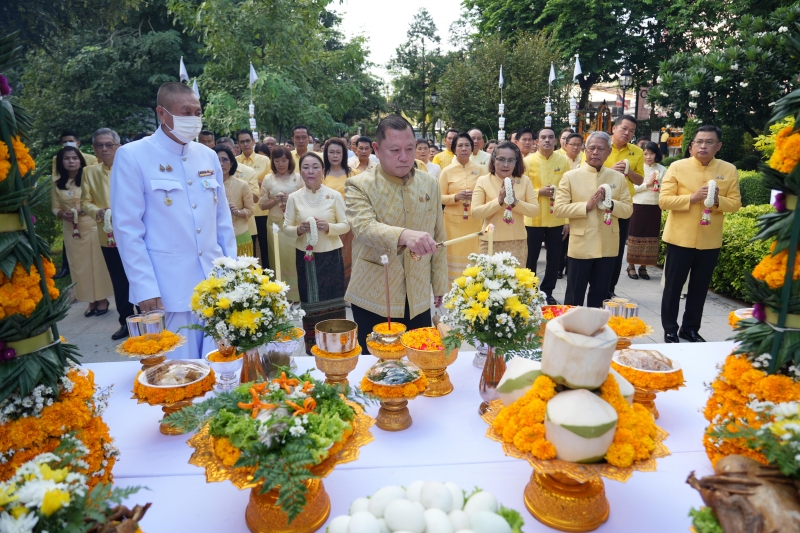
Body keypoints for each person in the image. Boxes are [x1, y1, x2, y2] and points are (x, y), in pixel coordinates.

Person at [111, 81, 237, 359]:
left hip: (214, 285)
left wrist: (233, 274)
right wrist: (144, 287)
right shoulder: (133, 155)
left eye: (197, 111)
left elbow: (222, 221)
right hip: (167, 291)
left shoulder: (207, 156)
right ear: (162, 113)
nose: (193, 119)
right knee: (177, 372)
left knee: (222, 367)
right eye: (185, 111)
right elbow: (128, 229)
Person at [344, 115, 447, 349]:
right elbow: (363, 227)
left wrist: (439, 283)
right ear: (377, 150)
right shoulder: (359, 184)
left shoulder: (429, 183)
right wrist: (404, 235)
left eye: (410, 149)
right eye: (395, 150)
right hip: (375, 294)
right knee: (378, 365)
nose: (404, 157)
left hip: (418, 293)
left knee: (418, 359)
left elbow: (439, 235)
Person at [659, 125, 741, 343]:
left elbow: (735, 203)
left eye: (709, 142)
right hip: (680, 238)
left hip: (709, 240)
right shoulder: (677, 167)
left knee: (699, 289)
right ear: (691, 145)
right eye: (699, 142)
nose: (703, 146)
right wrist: (692, 198)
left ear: (719, 146)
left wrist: (717, 201)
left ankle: (690, 329)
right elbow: (664, 200)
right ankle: (669, 328)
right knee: (673, 288)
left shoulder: (729, 169)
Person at [554, 131, 633, 308]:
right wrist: (586, 206)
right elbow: (559, 209)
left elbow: (628, 210)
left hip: (607, 246)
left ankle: (594, 330)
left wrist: (610, 203)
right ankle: (572, 332)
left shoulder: (618, 178)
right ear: (584, 151)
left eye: (600, 149)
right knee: (574, 295)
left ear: (608, 152)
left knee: (600, 295)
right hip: (581, 245)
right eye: (591, 148)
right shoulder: (570, 176)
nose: (595, 152)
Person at [284, 152, 350, 353]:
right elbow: (287, 227)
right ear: (300, 171)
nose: (310, 171)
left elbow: (346, 225)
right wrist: (299, 229)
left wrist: (328, 227)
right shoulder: (294, 198)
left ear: (323, 170)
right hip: (306, 258)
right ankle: (314, 348)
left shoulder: (334, 195)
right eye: (305, 167)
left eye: (315, 167)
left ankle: (338, 345)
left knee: (333, 301)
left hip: (331, 256)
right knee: (310, 303)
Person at [81, 128, 134, 340]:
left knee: (141, 276)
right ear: (94, 149)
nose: (104, 149)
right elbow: (85, 202)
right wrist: (98, 212)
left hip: (136, 234)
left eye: (108, 145)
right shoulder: (89, 172)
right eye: (99, 145)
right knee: (120, 280)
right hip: (109, 235)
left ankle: (151, 319)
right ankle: (126, 322)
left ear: (118, 146)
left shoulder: (131, 168)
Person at [51, 146, 112, 317]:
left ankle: (102, 299)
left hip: (91, 226)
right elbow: (54, 207)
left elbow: (95, 201)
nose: (71, 162)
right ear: (61, 162)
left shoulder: (89, 177)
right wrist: (63, 213)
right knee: (79, 267)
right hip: (71, 230)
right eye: (66, 159)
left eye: (74, 158)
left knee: (97, 265)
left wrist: (81, 210)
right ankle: (89, 300)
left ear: (81, 160)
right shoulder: (58, 184)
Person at [472, 141, 539, 265]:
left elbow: (534, 211)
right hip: (490, 241)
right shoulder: (483, 181)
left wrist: (515, 202)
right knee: (488, 282)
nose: (505, 165)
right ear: (493, 160)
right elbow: (476, 213)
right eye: (501, 159)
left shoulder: (524, 181)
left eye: (511, 160)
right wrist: (499, 201)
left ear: (516, 162)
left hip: (517, 241)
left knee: (515, 282)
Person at [523, 127, 570, 305]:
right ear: (537, 141)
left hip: (556, 217)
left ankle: (547, 292)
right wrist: (539, 192)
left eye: (551, 137)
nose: (547, 140)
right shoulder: (527, 161)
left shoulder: (563, 161)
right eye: (543, 137)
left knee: (554, 258)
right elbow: (522, 189)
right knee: (531, 257)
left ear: (557, 141)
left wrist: (566, 220)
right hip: (532, 218)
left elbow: (567, 191)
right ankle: (530, 292)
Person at [600, 115, 645, 299]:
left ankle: (610, 288)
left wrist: (629, 172)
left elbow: (640, 180)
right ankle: (595, 284)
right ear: (614, 128)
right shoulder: (600, 145)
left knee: (617, 251)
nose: (627, 133)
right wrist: (611, 170)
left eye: (632, 131)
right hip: (599, 204)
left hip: (622, 207)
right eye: (624, 128)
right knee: (598, 246)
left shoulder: (636, 152)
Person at [259, 146, 303, 302]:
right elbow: (262, 205)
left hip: (293, 225)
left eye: (284, 160)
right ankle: (281, 295)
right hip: (275, 225)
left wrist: (289, 199)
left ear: (289, 161)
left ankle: (297, 296)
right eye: (277, 161)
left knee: (293, 259)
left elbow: (304, 201)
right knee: (277, 258)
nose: (281, 164)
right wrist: (275, 201)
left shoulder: (297, 178)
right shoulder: (268, 178)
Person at [439, 132, 484, 283]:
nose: (464, 148)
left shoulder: (480, 169)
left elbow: (487, 194)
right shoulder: (446, 171)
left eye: (467, 145)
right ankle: (453, 292)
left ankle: (474, 289)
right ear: (453, 149)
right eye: (460, 145)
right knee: (453, 254)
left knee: (473, 256)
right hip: (452, 223)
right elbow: (438, 197)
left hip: (474, 221)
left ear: (472, 148)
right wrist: (455, 197)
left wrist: (476, 196)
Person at [627, 141, 666, 281]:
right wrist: (647, 184)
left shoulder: (662, 169)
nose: (648, 157)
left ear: (657, 154)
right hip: (639, 204)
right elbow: (630, 189)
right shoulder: (638, 168)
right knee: (635, 235)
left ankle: (643, 267)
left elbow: (667, 188)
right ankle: (631, 266)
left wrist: (658, 185)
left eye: (651, 153)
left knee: (651, 237)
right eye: (645, 154)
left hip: (655, 206)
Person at [322, 138, 355, 290]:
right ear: (326, 153)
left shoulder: (353, 173)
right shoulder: (320, 173)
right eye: (331, 152)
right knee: (330, 257)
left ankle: (347, 292)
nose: (335, 156)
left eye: (338, 152)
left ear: (344, 154)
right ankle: (332, 291)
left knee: (348, 258)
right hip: (327, 223)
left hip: (348, 222)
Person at [236, 129, 271, 267]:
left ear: (253, 141)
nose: (245, 144)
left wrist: (254, 182)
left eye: (248, 141)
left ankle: (267, 276)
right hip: (244, 213)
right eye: (242, 141)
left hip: (262, 211)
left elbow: (271, 181)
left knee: (265, 246)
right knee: (249, 248)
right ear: (238, 144)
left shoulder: (264, 160)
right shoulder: (235, 162)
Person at [215, 145, 254, 256]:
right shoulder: (206, 186)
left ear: (231, 164)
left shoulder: (242, 185)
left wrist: (238, 212)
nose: (221, 164)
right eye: (217, 160)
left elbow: (251, 210)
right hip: (213, 238)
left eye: (225, 160)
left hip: (239, 235)